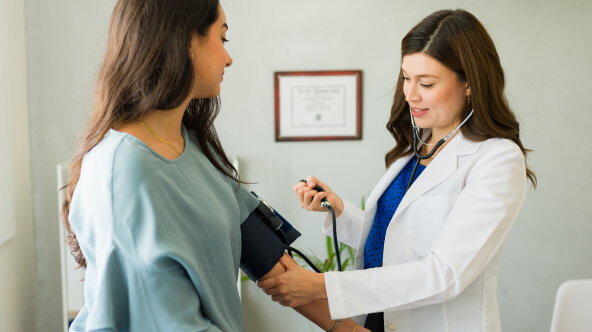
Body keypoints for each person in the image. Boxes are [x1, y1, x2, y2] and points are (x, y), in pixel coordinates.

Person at [62, 0, 368, 331]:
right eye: (222, 39)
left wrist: (350, 329)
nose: (228, 57)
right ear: (184, 41)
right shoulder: (123, 170)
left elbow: (269, 260)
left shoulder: (189, 143)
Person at [258, 9, 537, 332]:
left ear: (470, 84)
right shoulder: (416, 147)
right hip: (380, 320)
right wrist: (341, 211)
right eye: (406, 77)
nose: (410, 94)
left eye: (427, 83)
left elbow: (445, 272)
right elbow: (395, 238)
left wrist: (323, 286)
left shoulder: (497, 159)